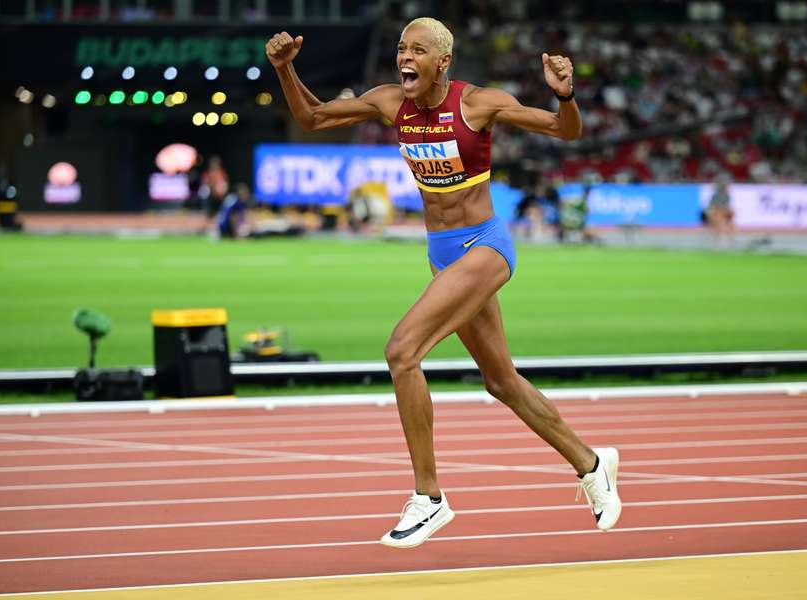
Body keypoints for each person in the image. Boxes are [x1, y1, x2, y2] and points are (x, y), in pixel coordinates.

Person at [266, 17, 621, 549]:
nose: (404, 57)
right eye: (400, 48)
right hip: (442, 255)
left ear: (443, 62)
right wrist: (284, 69)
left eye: (417, 50)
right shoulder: (390, 101)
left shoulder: (479, 103)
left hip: (485, 247)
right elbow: (313, 117)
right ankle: (592, 465)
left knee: (402, 350)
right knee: (501, 381)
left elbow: (564, 131)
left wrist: (565, 96)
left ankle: (429, 498)